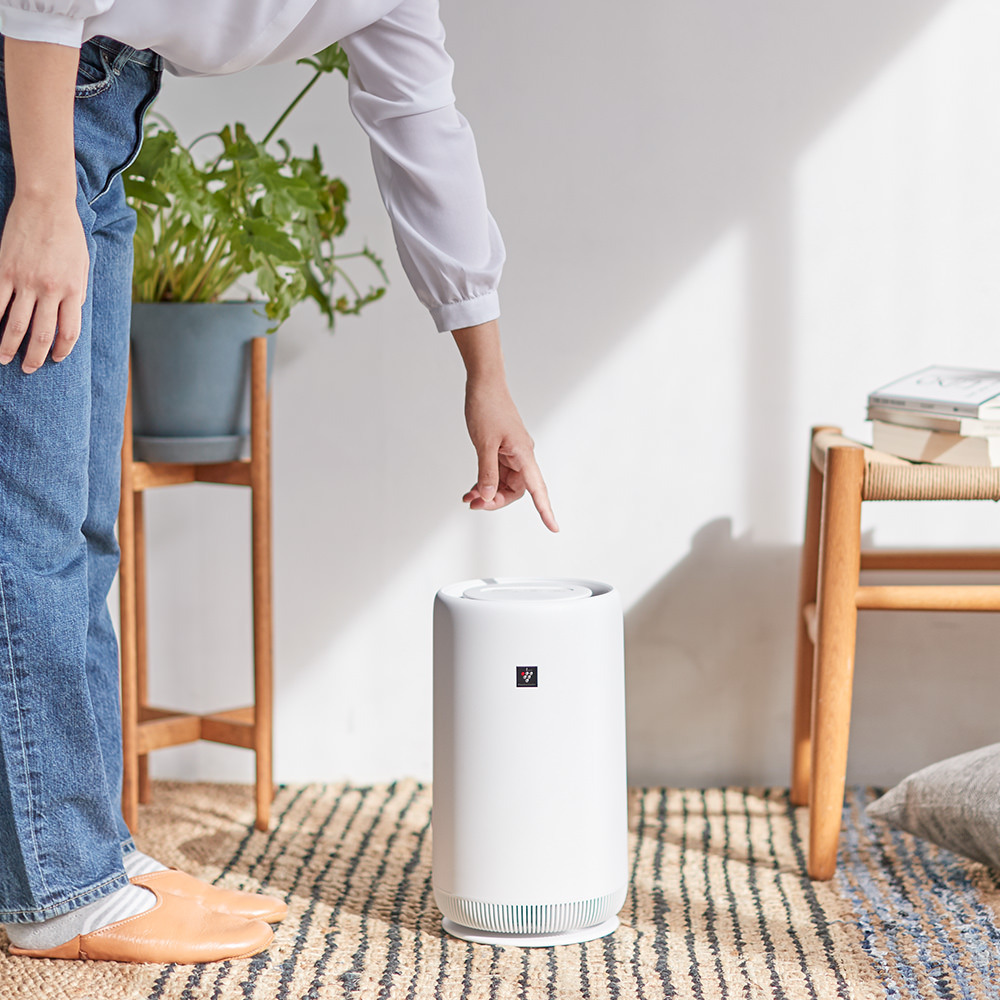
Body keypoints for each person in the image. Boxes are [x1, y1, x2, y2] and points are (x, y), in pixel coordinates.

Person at [0, 0, 557, 964]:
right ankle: (58, 891)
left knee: (82, 530)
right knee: (32, 525)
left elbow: (420, 120)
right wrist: (43, 196)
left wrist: (488, 375)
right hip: (31, 108)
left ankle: (86, 855)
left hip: (95, 111)